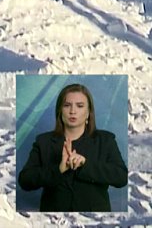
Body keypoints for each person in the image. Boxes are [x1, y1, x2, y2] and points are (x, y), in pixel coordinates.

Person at [17, 83, 128, 212]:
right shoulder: (43, 142)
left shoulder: (105, 141)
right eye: (67, 105)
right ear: (59, 111)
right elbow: (25, 180)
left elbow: (121, 177)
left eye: (80, 106)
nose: (72, 111)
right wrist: (58, 169)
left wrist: (85, 164)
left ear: (88, 113)